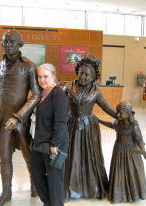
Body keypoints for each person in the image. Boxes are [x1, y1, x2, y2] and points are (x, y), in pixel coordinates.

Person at [0, 30, 40, 206]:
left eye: (11, 42)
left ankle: (35, 186)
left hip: (21, 120)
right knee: (5, 156)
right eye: (4, 42)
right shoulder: (1, 63)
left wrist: (19, 117)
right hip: (3, 118)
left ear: (19, 44)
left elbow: (36, 95)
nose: (7, 45)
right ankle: (6, 193)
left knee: (28, 155)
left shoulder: (29, 66)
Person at [64, 54, 117, 200]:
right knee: (71, 156)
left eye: (87, 75)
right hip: (71, 125)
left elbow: (107, 107)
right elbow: (59, 104)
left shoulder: (95, 91)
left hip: (88, 127)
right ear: (77, 71)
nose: (83, 77)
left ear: (93, 77)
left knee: (89, 157)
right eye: (81, 72)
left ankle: (90, 188)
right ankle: (68, 188)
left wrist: (121, 117)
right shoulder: (68, 86)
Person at [30, 63, 69, 206]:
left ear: (54, 77)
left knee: (55, 180)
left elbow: (60, 122)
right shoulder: (41, 93)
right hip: (39, 143)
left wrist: (54, 145)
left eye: (46, 76)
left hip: (53, 145)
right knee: (36, 173)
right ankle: (49, 202)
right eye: (40, 77)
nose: (42, 80)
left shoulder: (59, 95)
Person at [98, 101, 146, 203]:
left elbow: (139, 140)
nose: (118, 115)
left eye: (121, 113)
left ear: (128, 114)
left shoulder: (133, 126)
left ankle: (133, 194)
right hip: (118, 150)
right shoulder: (118, 123)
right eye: (118, 112)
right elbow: (111, 125)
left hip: (131, 152)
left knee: (131, 171)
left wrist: (144, 153)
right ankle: (118, 194)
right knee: (118, 171)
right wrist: (99, 120)